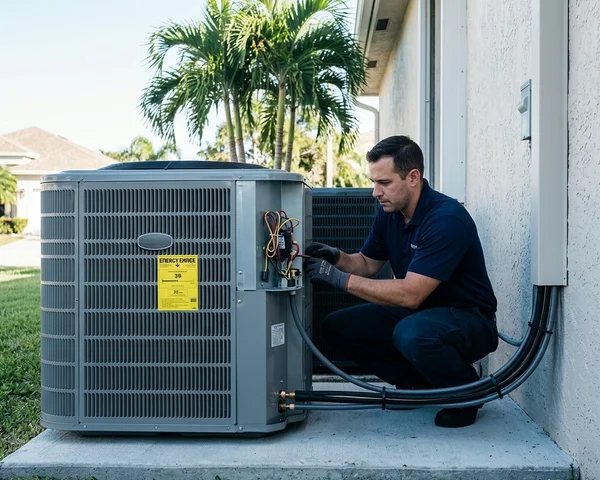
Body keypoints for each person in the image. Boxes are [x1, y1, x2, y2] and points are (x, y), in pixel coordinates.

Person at [304, 135, 498, 428]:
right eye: (374, 182)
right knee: (337, 327)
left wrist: (339, 280)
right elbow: (368, 264)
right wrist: (337, 258)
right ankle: (418, 387)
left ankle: (466, 391)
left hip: (469, 319)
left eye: (384, 182)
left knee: (411, 333)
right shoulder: (391, 213)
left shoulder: (446, 219)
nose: (375, 192)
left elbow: (411, 294)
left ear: (413, 177)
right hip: (421, 315)